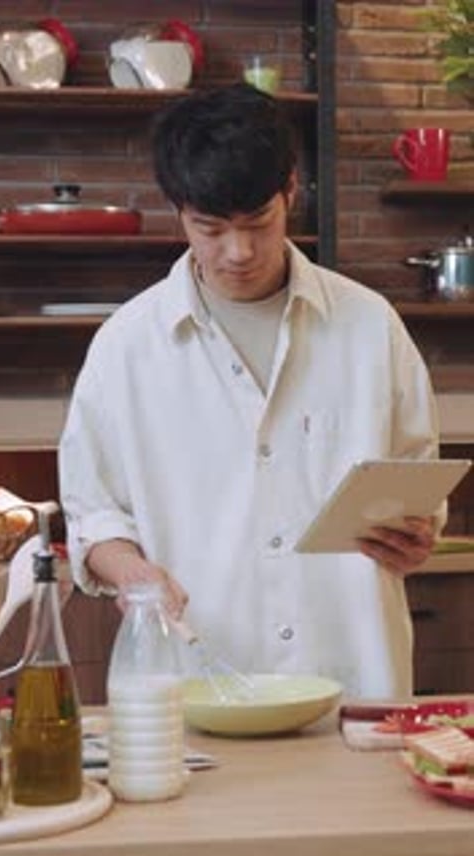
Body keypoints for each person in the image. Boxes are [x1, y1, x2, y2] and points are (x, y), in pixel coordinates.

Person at [58, 83, 442, 699]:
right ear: (178, 209)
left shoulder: (370, 327)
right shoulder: (127, 346)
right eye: (209, 228)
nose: (237, 252)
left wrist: (415, 533)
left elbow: (416, 479)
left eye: (258, 223)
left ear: (292, 190)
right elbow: (92, 511)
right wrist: (129, 570)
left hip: (352, 685)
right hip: (192, 689)